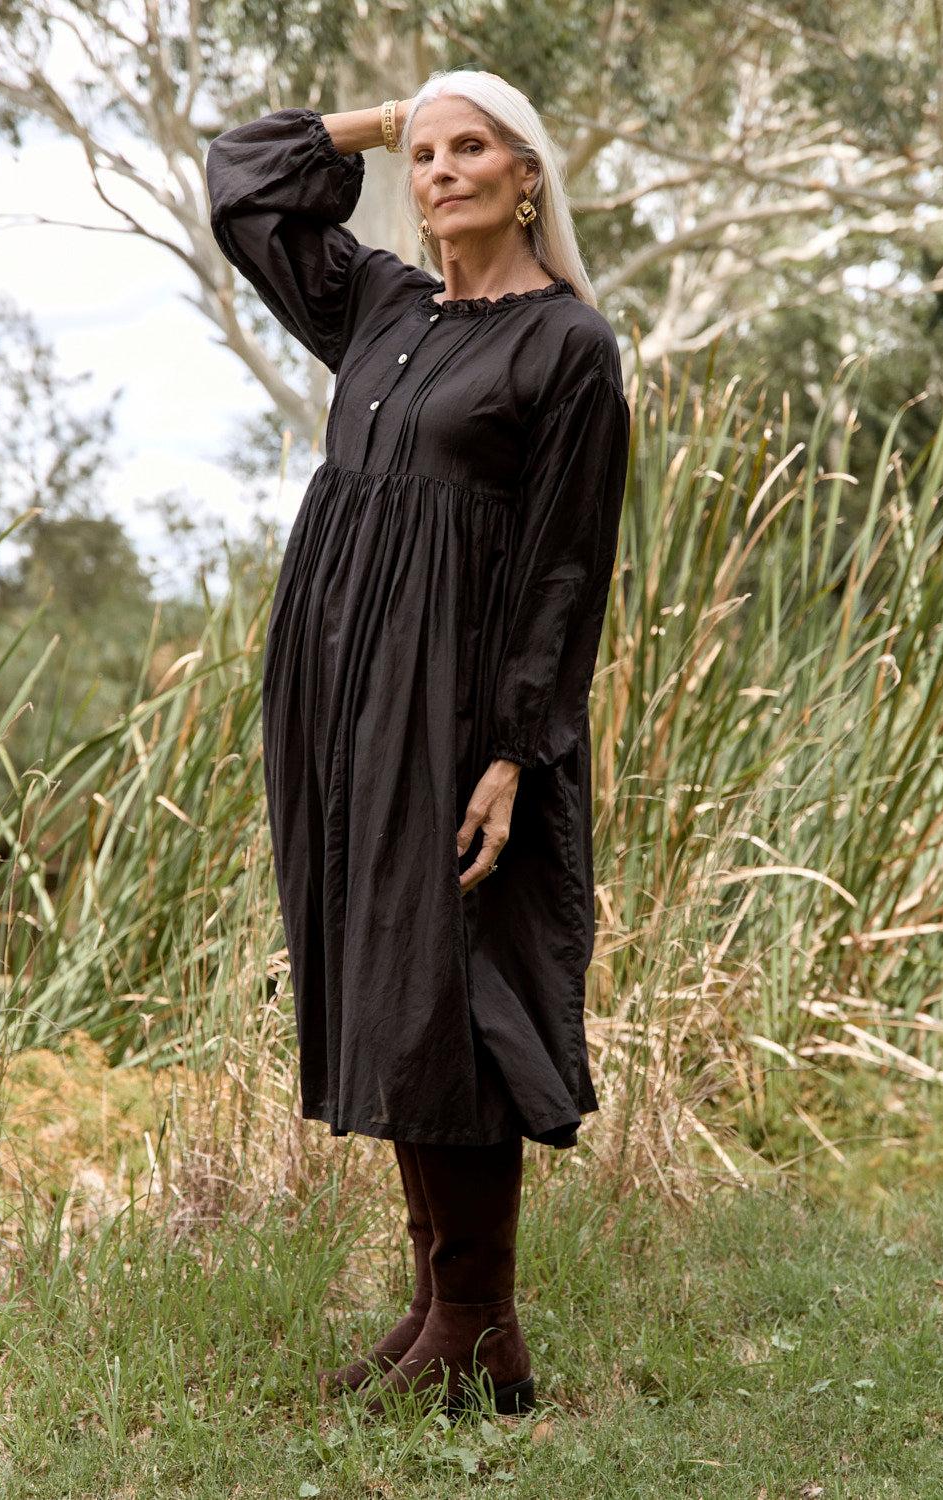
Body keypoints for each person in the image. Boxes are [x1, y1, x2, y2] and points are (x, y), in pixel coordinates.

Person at [206, 68, 630, 1416]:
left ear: (527, 176)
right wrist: (386, 120)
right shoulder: (382, 304)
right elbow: (244, 181)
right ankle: (449, 1316)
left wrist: (513, 753)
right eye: (427, 156)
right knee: (390, 979)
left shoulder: (568, 344)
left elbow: (567, 565)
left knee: (456, 987)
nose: (440, 173)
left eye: (471, 149)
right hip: (340, 684)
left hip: (455, 702)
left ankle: (475, 1316)